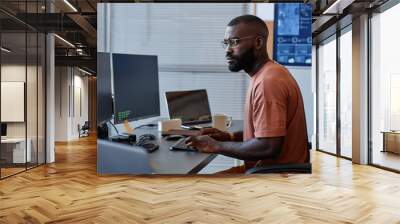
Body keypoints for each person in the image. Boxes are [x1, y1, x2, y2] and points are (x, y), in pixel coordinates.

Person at [185, 15, 309, 174]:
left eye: (234, 42)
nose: (227, 50)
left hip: (273, 178)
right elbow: (266, 132)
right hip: (265, 171)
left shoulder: (268, 82)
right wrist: (228, 137)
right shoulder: (267, 74)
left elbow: (267, 147)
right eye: (226, 43)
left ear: (258, 42)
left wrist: (215, 145)